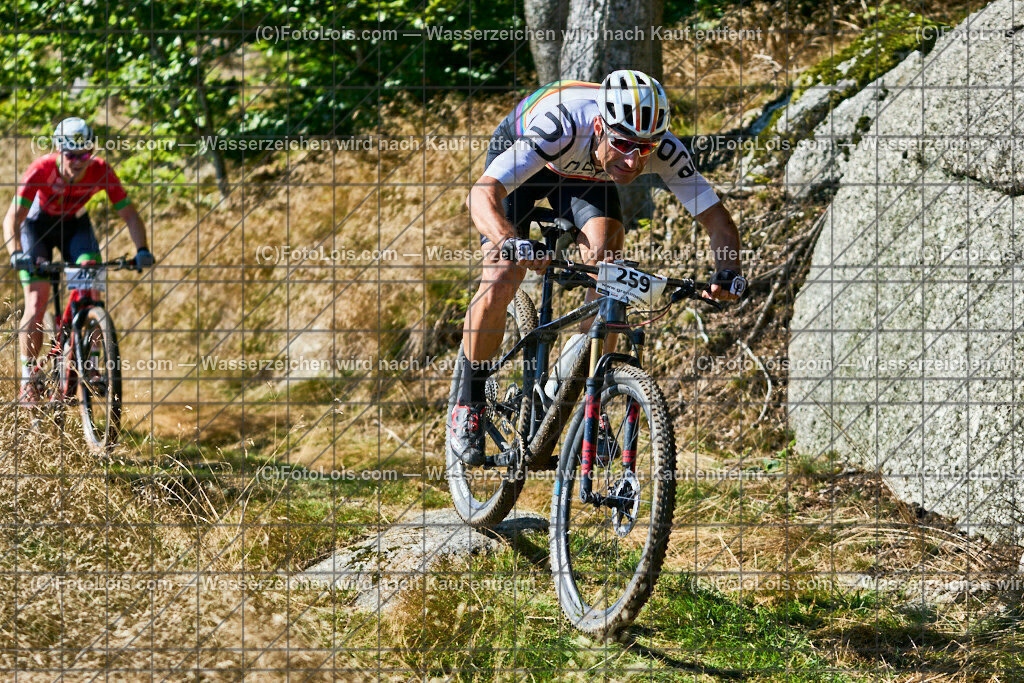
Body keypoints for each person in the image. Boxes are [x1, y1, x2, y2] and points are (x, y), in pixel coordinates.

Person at [450, 69, 747, 465]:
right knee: (502, 275)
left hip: (588, 173)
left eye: (645, 148)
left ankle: (580, 391)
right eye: (624, 143)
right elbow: (482, 193)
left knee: (608, 271)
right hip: (532, 159)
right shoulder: (562, 124)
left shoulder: (657, 148)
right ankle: (468, 401)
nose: (633, 159)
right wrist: (509, 242)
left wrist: (726, 273)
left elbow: (718, 222)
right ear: (599, 125)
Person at [3, 117, 155, 407]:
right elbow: (13, 217)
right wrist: (16, 253)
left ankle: (92, 359)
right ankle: (27, 379)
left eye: (83, 154)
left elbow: (130, 214)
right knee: (36, 301)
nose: (77, 161)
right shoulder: (41, 170)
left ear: (92, 152)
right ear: (58, 151)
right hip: (38, 229)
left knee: (91, 289)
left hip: (75, 227)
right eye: (70, 155)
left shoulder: (100, 171)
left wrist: (142, 249)